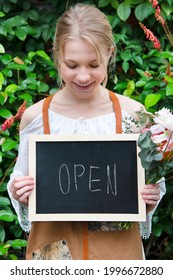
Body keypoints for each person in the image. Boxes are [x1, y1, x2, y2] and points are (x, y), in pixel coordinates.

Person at [7, 3, 165, 260]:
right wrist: (19, 191)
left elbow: (151, 185)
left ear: (110, 54)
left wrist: (150, 196)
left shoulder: (133, 116)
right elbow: (22, 183)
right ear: (57, 56)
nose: (83, 76)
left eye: (93, 65)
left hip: (117, 253)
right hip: (53, 252)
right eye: (72, 65)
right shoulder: (37, 118)